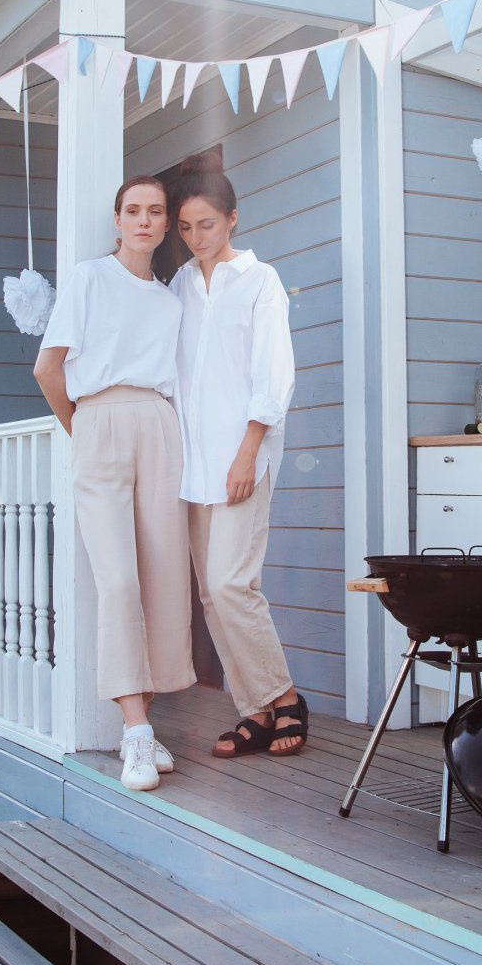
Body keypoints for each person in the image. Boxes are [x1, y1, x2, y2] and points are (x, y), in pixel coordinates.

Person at [33, 175, 193, 791]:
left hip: (159, 423)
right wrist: (84, 427)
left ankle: (144, 728)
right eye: (133, 210)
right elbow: (49, 367)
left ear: (165, 222)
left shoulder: (171, 301)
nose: (145, 221)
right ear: (117, 219)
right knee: (119, 579)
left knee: (160, 578)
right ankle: (133, 734)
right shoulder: (89, 279)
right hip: (98, 419)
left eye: (156, 212)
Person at [170, 170, 308, 759]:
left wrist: (249, 449)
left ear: (232, 219)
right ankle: (252, 710)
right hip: (190, 459)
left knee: (232, 583)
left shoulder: (260, 281)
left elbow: (273, 374)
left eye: (206, 224)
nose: (196, 237)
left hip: (241, 454)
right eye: (185, 228)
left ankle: (285, 697)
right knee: (210, 594)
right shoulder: (177, 283)